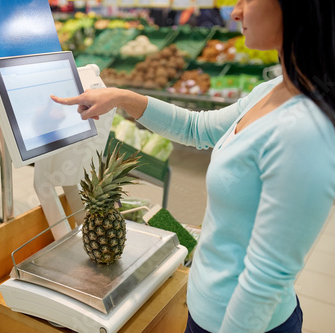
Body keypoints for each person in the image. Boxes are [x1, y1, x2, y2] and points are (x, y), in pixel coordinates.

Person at [51, 0, 335, 332]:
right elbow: (197, 129)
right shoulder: (271, 90)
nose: (235, 12)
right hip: (204, 309)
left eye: (247, 0)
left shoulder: (306, 130)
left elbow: (268, 277)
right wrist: (124, 98)